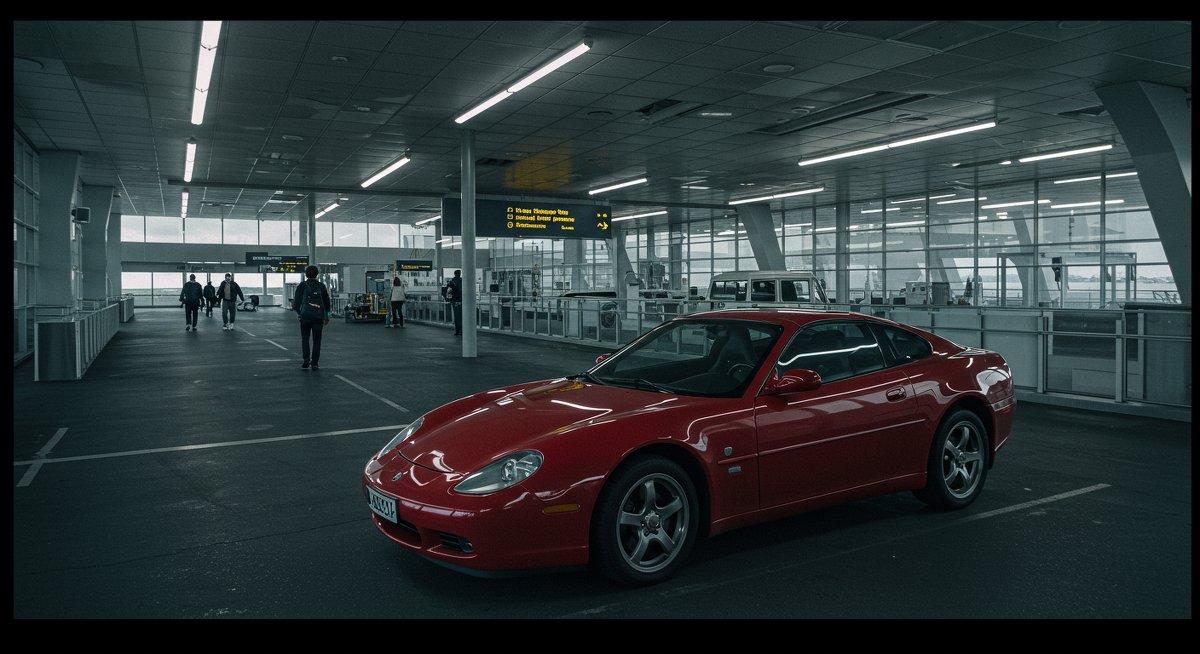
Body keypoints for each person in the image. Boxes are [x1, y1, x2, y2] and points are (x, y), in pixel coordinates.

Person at [293, 265, 331, 370]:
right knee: (317, 340)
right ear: (317, 274)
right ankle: (315, 363)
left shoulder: (302, 285)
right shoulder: (321, 286)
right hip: (318, 317)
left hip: (305, 316)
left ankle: (306, 359)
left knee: (305, 339)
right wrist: (326, 316)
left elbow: (296, 303)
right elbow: (327, 303)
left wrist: (299, 313)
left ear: (306, 274)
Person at [445, 269, 463, 335]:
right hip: (462, 300)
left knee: (456, 316)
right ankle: (461, 329)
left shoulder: (451, 281)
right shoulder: (462, 281)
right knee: (462, 316)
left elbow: (448, 291)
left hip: (455, 301)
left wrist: (450, 299)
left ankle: (457, 330)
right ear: (459, 274)